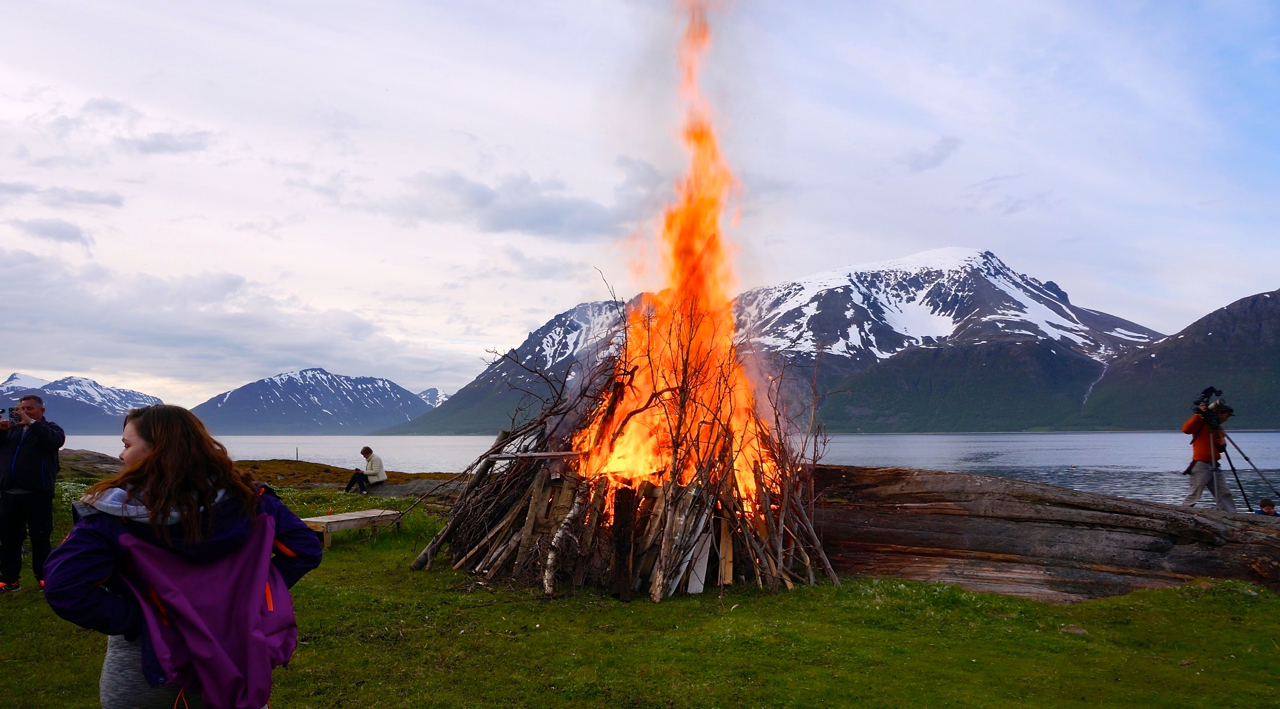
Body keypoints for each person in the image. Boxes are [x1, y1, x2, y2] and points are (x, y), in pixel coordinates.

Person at [43, 405, 322, 709]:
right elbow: (304, 549)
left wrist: (142, 618)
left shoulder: (111, 515)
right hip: (236, 657)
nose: (122, 456)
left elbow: (64, 586)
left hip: (149, 668)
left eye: (126, 445)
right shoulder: (249, 500)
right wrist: (246, 597)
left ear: (156, 449)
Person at [0, 394, 66, 593]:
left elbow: (56, 441)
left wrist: (32, 424)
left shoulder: (50, 429)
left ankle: (44, 579)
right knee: (9, 539)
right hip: (9, 493)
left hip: (38, 494)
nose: (24, 412)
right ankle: (9, 581)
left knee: (40, 538)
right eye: (21, 409)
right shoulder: (11, 431)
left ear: (41, 411)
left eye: (29, 408)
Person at [1180, 401, 1237, 512]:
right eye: (1226, 416)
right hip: (1201, 464)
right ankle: (1182, 512)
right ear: (1219, 413)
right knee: (1195, 493)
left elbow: (1219, 449)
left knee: (1224, 493)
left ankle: (1231, 515)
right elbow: (1186, 429)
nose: (1227, 419)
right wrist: (1199, 415)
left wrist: (1223, 445)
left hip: (1214, 464)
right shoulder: (1201, 423)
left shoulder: (1218, 428)